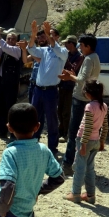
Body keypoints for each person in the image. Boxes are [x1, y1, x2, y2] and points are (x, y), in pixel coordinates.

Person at [0, 103, 66, 217]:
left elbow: (8, 186)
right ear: (37, 126)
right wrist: (38, 190)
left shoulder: (10, 153)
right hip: (28, 213)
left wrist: (2, 211)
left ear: (9, 127)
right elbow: (59, 177)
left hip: (9, 213)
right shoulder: (43, 150)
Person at [59, 34, 101, 176]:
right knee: (82, 133)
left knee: (74, 133)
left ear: (88, 46)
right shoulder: (95, 57)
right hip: (86, 98)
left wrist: (70, 77)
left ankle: (67, 164)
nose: (80, 48)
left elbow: (83, 80)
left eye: (82, 46)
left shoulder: (89, 59)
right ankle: (79, 164)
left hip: (80, 99)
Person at [27, 20, 68, 156]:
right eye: (45, 33)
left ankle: (52, 148)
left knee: (51, 120)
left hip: (50, 91)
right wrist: (33, 35)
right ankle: (33, 144)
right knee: (34, 118)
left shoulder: (62, 51)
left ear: (57, 37)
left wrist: (47, 34)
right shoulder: (44, 50)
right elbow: (31, 49)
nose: (46, 36)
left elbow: (55, 47)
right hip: (38, 90)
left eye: (50, 34)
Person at [64, 81, 109, 204]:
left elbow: (88, 127)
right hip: (95, 141)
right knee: (90, 169)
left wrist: (83, 144)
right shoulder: (104, 106)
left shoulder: (89, 107)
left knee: (79, 168)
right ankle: (90, 195)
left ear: (88, 94)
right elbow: (105, 126)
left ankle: (76, 194)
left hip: (85, 141)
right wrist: (102, 141)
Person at [0, 25, 22, 139]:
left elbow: (5, 47)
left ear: (16, 41)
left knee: (10, 108)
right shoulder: (5, 49)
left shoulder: (17, 50)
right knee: (1, 107)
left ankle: (13, 134)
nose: (10, 40)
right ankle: (2, 131)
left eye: (13, 39)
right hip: (3, 82)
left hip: (11, 85)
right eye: (8, 38)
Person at [58, 35, 84, 143]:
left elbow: (73, 69)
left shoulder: (80, 57)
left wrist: (64, 63)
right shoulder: (66, 55)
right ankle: (61, 131)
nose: (64, 45)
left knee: (67, 111)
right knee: (59, 110)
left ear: (71, 44)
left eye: (66, 43)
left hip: (70, 87)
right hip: (62, 85)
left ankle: (65, 133)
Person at [20, 30, 50, 104]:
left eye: (42, 37)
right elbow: (25, 60)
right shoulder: (36, 51)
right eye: (39, 38)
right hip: (33, 83)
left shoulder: (50, 51)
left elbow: (41, 60)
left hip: (43, 85)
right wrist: (24, 50)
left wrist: (30, 50)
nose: (40, 39)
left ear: (47, 38)